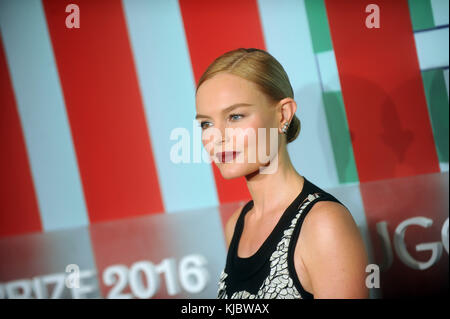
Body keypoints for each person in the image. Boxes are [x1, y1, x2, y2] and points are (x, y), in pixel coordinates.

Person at [195, 48, 369, 299]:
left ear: (283, 114)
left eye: (235, 116)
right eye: (206, 124)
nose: (217, 137)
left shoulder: (323, 224)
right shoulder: (236, 226)